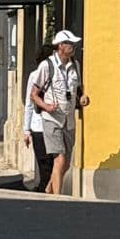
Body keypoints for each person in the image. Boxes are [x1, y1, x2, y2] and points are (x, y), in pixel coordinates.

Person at [32, 29, 88, 195]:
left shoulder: (75, 65)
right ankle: (57, 199)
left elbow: (78, 89)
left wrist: (83, 97)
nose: (73, 47)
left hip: (68, 119)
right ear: (60, 46)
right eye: (70, 44)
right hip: (52, 119)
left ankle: (49, 188)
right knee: (60, 158)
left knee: (66, 164)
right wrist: (46, 107)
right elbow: (34, 94)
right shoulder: (47, 65)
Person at [22, 44, 53, 191]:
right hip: (38, 125)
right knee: (44, 162)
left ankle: (45, 190)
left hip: (51, 124)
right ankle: (44, 190)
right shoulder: (34, 76)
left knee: (50, 162)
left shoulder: (58, 75)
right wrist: (26, 130)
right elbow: (29, 103)